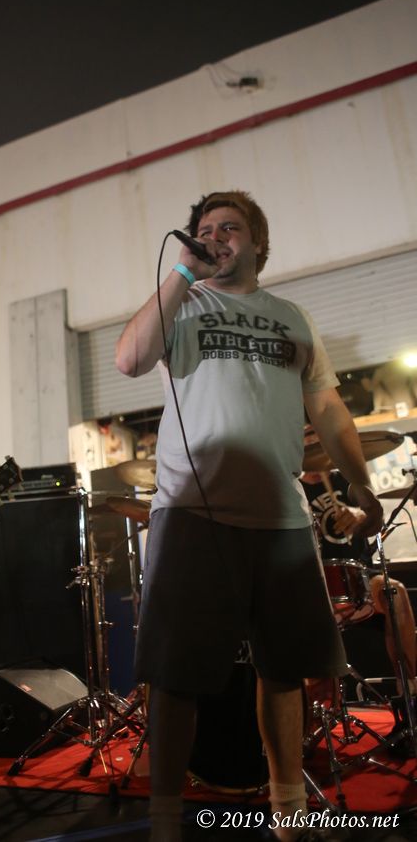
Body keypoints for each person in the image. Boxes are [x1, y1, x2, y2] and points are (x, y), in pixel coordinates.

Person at [115, 190, 383, 842]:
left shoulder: (292, 317)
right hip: (191, 509)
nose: (215, 237)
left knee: (284, 668)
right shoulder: (183, 304)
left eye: (229, 228)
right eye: (205, 229)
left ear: (259, 244)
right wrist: (182, 271)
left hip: (281, 516)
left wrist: (362, 487)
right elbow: (128, 358)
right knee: (175, 677)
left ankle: (288, 808)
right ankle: (165, 819)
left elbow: (328, 410)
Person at [300, 430, 417, 698]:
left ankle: (409, 686)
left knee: (395, 592)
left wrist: (360, 514)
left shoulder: (347, 480)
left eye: (317, 433)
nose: (313, 441)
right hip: (316, 584)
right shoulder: (295, 490)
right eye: (306, 435)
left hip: (359, 578)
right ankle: (321, 707)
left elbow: (372, 515)